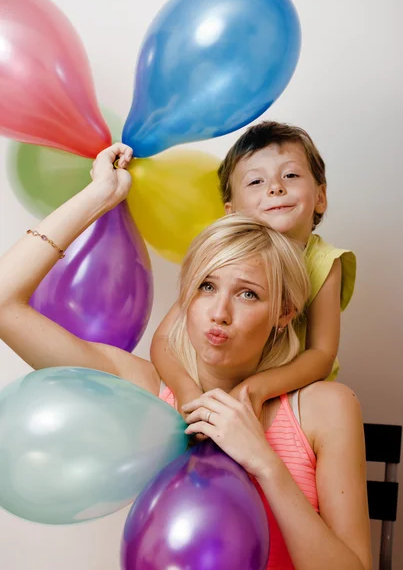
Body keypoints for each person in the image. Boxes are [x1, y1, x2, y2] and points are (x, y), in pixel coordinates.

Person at [0, 144, 370, 569]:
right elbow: (4, 304)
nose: (219, 312)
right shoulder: (143, 391)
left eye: (248, 293)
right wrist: (101, 195)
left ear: (284, 313)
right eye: (206, 287)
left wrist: (266, 465)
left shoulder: (326, 408)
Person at [151, 121, 357, 415]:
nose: (276, 187)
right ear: (231, 211)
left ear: (320, 197)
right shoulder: (222, 257)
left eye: (290, 175)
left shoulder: (325, 262)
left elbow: (321, 354)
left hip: (283, 397)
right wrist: (187, 392)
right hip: (209, 390)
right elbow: (163, 340)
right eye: (256, 182)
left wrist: (253, 391)